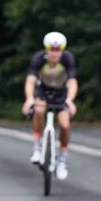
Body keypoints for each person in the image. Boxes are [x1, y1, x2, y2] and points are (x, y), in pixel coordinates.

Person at [21, 32, 77, 180]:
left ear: (62, 50)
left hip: (61, 93)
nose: (54, 53)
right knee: (39, 110)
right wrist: (29, 99)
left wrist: (70, 100)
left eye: (58, 50)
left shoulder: (67, 58)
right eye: (51, 49)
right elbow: (31, 80)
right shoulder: (39, 58)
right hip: (43, 91)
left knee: (65, 125)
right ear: (46, 49)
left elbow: (72, 82)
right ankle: (37, 147)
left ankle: (62, 159)